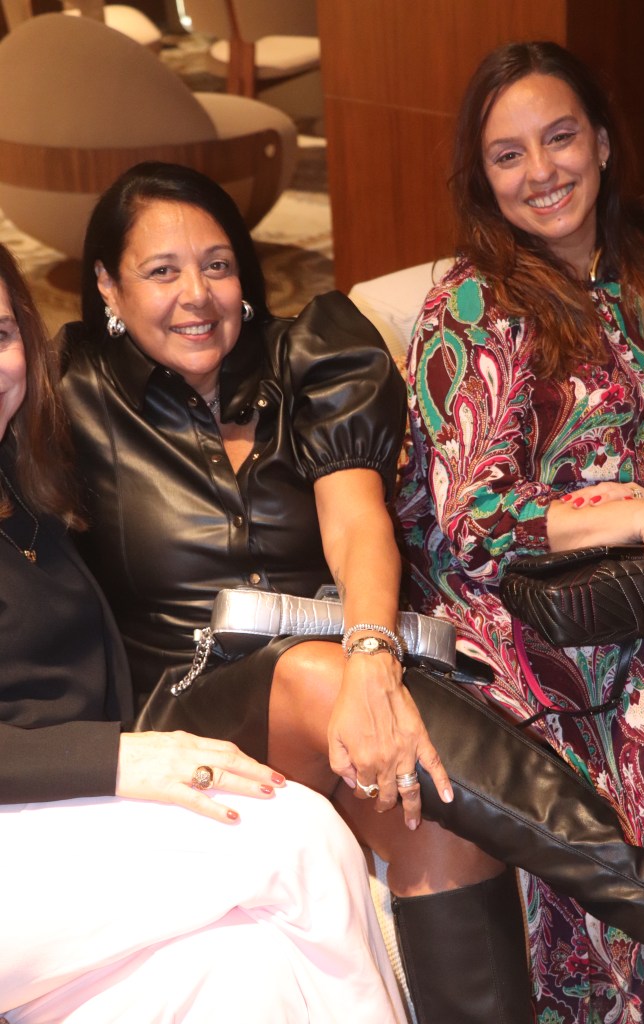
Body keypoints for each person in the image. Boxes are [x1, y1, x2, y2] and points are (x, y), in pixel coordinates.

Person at [59, 160, 644, 1024]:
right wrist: (356, 663)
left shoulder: (310, 354)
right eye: (161, 271)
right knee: (313, 673)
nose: (195, 296)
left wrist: (372, 661)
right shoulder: (72, 395)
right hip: (186, 704)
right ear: (108, 285)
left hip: (342, 672)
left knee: (433, 816)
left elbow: (356, 527)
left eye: (216, 265)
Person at [0, 241, 407, 1023]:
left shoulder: (28, 484)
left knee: (243, 964)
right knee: (297, 836)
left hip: (62, 822)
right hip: (30, 829)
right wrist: (121, 757)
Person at [397, 39, 644, 1022]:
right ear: (481, 177)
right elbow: (470, 518)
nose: (540, 171)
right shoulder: (474, 303)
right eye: (507, 154)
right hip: (534, 626)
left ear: (600, 141)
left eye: (558, 138)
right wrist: (635, 510)